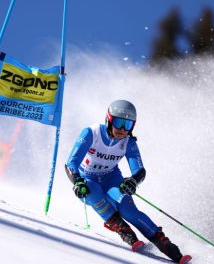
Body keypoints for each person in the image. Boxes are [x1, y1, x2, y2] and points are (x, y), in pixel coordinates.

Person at [65, 100, 191, 264]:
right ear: (109, 120)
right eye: (119, 122)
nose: (123, 129)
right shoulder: (91, 133)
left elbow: (139, 170)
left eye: (128, 124)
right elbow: (71, 163)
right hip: (88, 179)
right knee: (92, 192)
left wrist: (133, 181)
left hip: (111, 178)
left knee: (127, 208)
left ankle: (167, 246)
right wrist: (77, 181)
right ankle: (122, 229)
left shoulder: (128, 142)